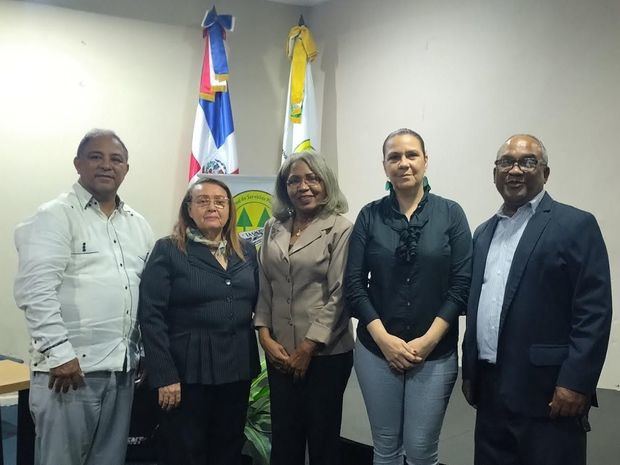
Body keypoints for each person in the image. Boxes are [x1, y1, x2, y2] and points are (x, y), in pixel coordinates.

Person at [461, 134, 612, 465]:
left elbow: (594, 311)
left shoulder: (575, 224)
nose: (515, 170)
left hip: (549, 393)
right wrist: (470, 370)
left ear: (545, 172)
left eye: (527, 162)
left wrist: (576, 382)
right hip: (490, 391)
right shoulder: (484, 233)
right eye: (506, 162)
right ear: (495, 173)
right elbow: (477, 304)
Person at [13, 129, 154, 465]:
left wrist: (145, 351)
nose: (107, 165)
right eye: (96, 157)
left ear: (126, 169)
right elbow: (36, 289)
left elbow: (145, 295)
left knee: (109, 461)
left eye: (116, 159)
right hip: (69, 374)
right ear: (78, 164)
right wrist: (59, 354)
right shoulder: (55, 215)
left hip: (121, 372)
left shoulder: (138, 225)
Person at [345, 128, 472, 465]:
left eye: (411, 155)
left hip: (435, 354)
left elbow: (461, 285)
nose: (403, 163)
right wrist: (384, 339)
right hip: (376, 353)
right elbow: (354, 285)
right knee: (385, 448)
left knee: (420, 450)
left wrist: (429, 340)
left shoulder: (451, 214)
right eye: (394, 157)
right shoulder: (369, 216)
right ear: (385, 166)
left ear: (425, 161)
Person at [138, 177, 260, 465]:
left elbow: (257, 304)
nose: (212, 207)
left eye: (220, 201)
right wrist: (165, 375)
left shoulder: (246, 251)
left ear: (230, 209)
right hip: (186, 371)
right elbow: (151, 315)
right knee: (185, 450)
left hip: (236, 368)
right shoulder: (169, 250)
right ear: (188, 210)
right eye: (203, 201)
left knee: (228, 447)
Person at [254, 151, 354, 465]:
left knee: (322, 440)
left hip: (325, 354)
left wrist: (308, 347)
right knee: (284, 437)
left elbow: (341, 294)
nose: (303, 186)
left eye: (312, 178)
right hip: (280, 351)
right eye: (294, 180)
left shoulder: (340, 228)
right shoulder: (273, 227)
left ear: (326, 184)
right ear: (285, 188)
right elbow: (265, 284)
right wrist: (264, 335)